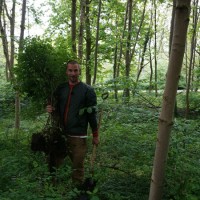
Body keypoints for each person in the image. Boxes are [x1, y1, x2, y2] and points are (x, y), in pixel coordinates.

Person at [46, 60, 99, 186]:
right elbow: (52, 104)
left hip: (78, 137)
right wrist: (48, 107)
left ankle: (77, 192)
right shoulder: (61, 88)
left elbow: (92, 115)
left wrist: (95, 135)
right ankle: (50, 189)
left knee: (78, 168)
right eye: (70, 70)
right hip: (61, 134)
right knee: (53, 164)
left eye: (75, 70)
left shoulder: (87, 90)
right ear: (66, 72)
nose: (73, 73)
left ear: (79, 72)